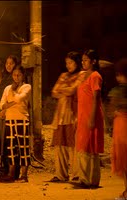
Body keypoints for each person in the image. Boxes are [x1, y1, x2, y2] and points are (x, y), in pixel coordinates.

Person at [49, 51, 85, 182]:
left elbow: (72, 90)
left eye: (71, 62)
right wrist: (66, 90)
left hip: (73, 114)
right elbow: (54, 92)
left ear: (76, 62)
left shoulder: (81, 75)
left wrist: (63, 90)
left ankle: (76, 174)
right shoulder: (63, 75)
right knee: (60, 145)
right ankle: (60, 174)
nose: (68, 65)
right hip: (60, 115)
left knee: (73, 145)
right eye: (67, 63)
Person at [75, 49, 104, 188]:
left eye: (86, 60)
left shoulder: (95, 76)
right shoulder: (84, 76)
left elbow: (96, 98)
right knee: (83, 146)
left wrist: (92, 118)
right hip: (82, 116)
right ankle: (85, 178)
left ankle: (90, 180)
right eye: (82, 60)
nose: (83, 62)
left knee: (91, 147)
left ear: (93, 61)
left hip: (91, 116)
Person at [0, 65, 31, 183]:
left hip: (22, 120)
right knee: (11, 148)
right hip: (10, 120)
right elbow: (1, 104)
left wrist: (8, 104)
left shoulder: (26, 87)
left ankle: (24, 175)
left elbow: (19, 98)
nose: (16, 77)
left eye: (19, 75)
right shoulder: (7, 88)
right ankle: (11, 173)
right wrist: (7, 105)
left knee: (23, 147)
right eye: (14, 75)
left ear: (23, 76)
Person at [108, 58, 127, 199]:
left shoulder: (119, 90)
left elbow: (113, 108)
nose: (117, 77)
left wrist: (116, 113)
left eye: (119, 74)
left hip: (123, 125)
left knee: (124, 159)